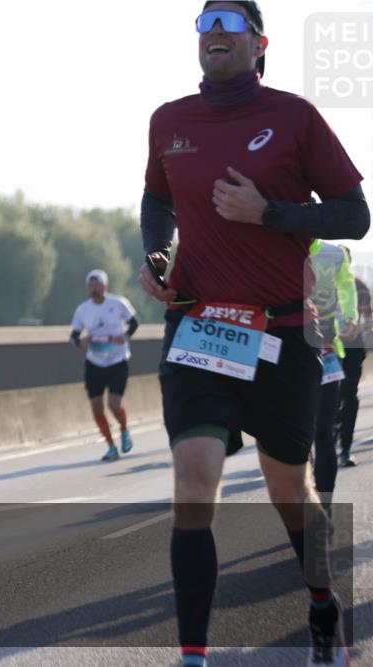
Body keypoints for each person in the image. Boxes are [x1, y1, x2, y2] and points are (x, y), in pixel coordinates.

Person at [138, 3, 369, 666]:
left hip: (282, 332)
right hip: (197, 324)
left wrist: (269, 213)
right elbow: (156, 198)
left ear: (258, 43)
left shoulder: (293, 117)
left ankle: (322, 599)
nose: (214, 33)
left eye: (230, 25)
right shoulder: (169, 120)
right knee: (193, 481)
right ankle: (193, 654)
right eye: (205, 24)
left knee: (288, 491)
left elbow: (356, 214)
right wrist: (158, 251)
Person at [308, 240, 357, 512]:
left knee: (323, 430)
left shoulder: (333, 254)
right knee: (298, 438)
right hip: (284, 355)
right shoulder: (272, 244)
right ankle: (304, 494)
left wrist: (349, 317)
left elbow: (347, 286)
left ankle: (322, 509)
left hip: (327, 352)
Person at [69, 270, 139, 462]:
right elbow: (73, 337)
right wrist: (82, 341)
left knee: (114, 404)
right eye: (90, 285)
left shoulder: (118, 303)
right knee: (97, 407)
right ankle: (111, 447)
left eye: (97, 284)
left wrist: (124, 337)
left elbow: (134, 323)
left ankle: (124, 430)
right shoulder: (82, 310)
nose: (93, 288)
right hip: (95, 362)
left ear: (105, 286)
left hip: (117, 360)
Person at [335, 270, 369, 468]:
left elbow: (367, 314)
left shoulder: (357, 285)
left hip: (352, 348)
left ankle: (345, 449)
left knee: (349, 398)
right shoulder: (317, 285)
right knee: (331, 400)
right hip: (327, 347)